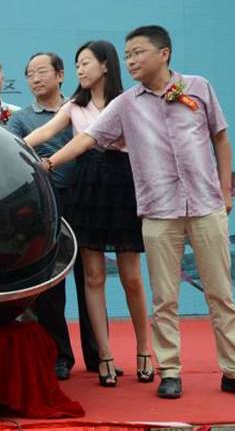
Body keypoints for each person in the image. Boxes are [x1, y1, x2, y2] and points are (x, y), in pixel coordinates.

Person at [47, 25, 235, 400]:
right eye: (127, 55)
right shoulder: (126, 104)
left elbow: (221, 137)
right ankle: (169, 371)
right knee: (164, 298)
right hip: (159, 211)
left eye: (138, 52)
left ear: (163, 54)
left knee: (221, 294)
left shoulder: (198, 87)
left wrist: (224, 189)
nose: (131, 60)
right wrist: (48, 162)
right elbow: (86, 138)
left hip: (205, 206)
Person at [25, 40, 152, 387]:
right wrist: (16, 145)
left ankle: (144, 349)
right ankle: (104, 356)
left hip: (122, 185)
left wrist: (50, 162)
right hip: (87, 187)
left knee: (131, 277)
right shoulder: (74, 105)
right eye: (78, 64)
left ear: (105, 65)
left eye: (85, 63)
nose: (80, 70)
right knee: (93, 276)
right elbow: (47, 131)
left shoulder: (128, 101)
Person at [7, 52, 100, 380]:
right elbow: (16, 152)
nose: (35, 78)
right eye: (29, 74)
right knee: (51, 284)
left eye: (41, 71)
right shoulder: (20, 119)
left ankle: (98, 355)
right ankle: (59, 355)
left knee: (92, 278)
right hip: (46, 206)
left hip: (85, 201)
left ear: (60, 75)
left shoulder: (81, 110)